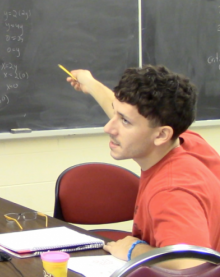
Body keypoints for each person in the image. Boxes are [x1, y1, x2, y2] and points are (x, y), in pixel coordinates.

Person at [67, 65, 220, 270]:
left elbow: (195, 265)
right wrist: (90, 83)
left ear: (161, 135)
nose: (108, 128)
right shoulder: (186, 141)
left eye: (124, 122)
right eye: (116, 113)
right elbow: (131, 112)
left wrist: (134, 250)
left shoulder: (171, 191)